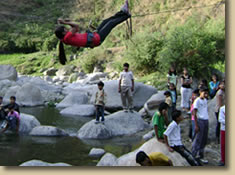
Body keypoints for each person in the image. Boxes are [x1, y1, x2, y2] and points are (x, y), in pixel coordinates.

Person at [55, 0, 131, 65]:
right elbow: (76, 26)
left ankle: (122, 12)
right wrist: (65, 23)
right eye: (65, 29)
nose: (66, 29)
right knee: (110, 23)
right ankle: (126, 15)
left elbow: (74, 28)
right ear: (63, 33)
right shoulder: (67, 37)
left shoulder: (65, 39)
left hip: (94, 36)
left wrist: (67, 22)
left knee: (105, 21)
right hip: (96, 39)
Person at [191, 87, 209, 164]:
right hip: (200, 120)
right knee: (198, 138)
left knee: (204, 139)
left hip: (206, 120)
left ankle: (201, 155)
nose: (205, 94)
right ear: (200, 92)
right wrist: (196, 125)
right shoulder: (197, 101)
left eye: (206, 93)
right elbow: (194, 113)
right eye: (204, 93)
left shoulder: (205, 100)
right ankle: (193, 155)